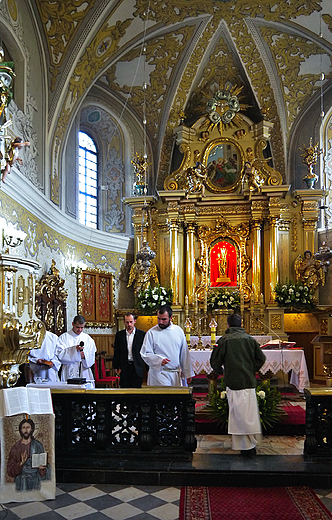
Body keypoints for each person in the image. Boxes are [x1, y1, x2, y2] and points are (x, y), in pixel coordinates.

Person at [210, 313, 266, 456]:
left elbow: (214, 361)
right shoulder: (250, 340)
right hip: (248, 381)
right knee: (249, 413)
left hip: (233, 382)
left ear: (228, 325)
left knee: (238, 414)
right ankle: (251, 444)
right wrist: (251, 369)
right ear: (241, 325)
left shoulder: (224, 340)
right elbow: (261, 358)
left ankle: (244, 446)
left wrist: (222, 371)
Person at [140, 305, 194, 386]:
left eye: (164, 319)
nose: (160, 322)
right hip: (159, 373)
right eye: (159, 318)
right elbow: (145, 353)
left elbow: (184, 353)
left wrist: (188, 373)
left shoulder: (178, 331)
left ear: (171, 318)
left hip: (175, 373)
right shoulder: (151, 333)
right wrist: (159, 360)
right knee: (163, 397)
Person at [7, 418, 51, 491]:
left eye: (28, 427)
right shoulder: (16, 447)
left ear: (32, 429)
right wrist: (21, 463)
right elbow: (10, 469)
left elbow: (44, 465)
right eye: (23, 428)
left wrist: (42, 467)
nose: (26, 430)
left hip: (35, 480)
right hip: (21, 480)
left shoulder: (37, 445)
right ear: (20, 430)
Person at [56, 315, 96, 384]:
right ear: (73, 324)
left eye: (82, 327)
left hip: (84, 371)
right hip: (69, 370)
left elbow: (92, 355)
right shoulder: (64, 338)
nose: (79, 330)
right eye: (77, 327)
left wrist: (84, 356)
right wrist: (75, 351)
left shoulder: (88, 339)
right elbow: (59, 354)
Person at [112, 313, 146, 388]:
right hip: (125, 367)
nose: (129, 324)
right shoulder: (120, 335)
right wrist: (115, 366)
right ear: (124, 322)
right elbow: (117, 351)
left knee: (137, 390)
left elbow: (145, 351)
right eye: (127, 322)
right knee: (124, 389)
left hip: (137, 366)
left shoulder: (142, 334)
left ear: (135, 321)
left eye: (131, 322)